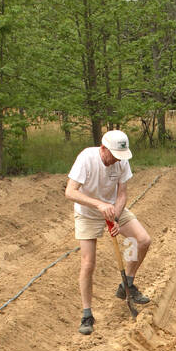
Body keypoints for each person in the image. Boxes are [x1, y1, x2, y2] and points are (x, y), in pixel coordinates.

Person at [65, 129, 152, 335]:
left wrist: (115, 216)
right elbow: (70, 192)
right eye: (113, 155)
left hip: (113, 209)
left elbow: (122, 193)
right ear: (103, 148)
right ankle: (87, 315)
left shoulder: (122, 160)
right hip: (87, 212)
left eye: (119, 157)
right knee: (88, 263)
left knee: (141, 240)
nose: (116, 160)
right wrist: (98, 205)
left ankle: (127, 284)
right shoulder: (86, 158)